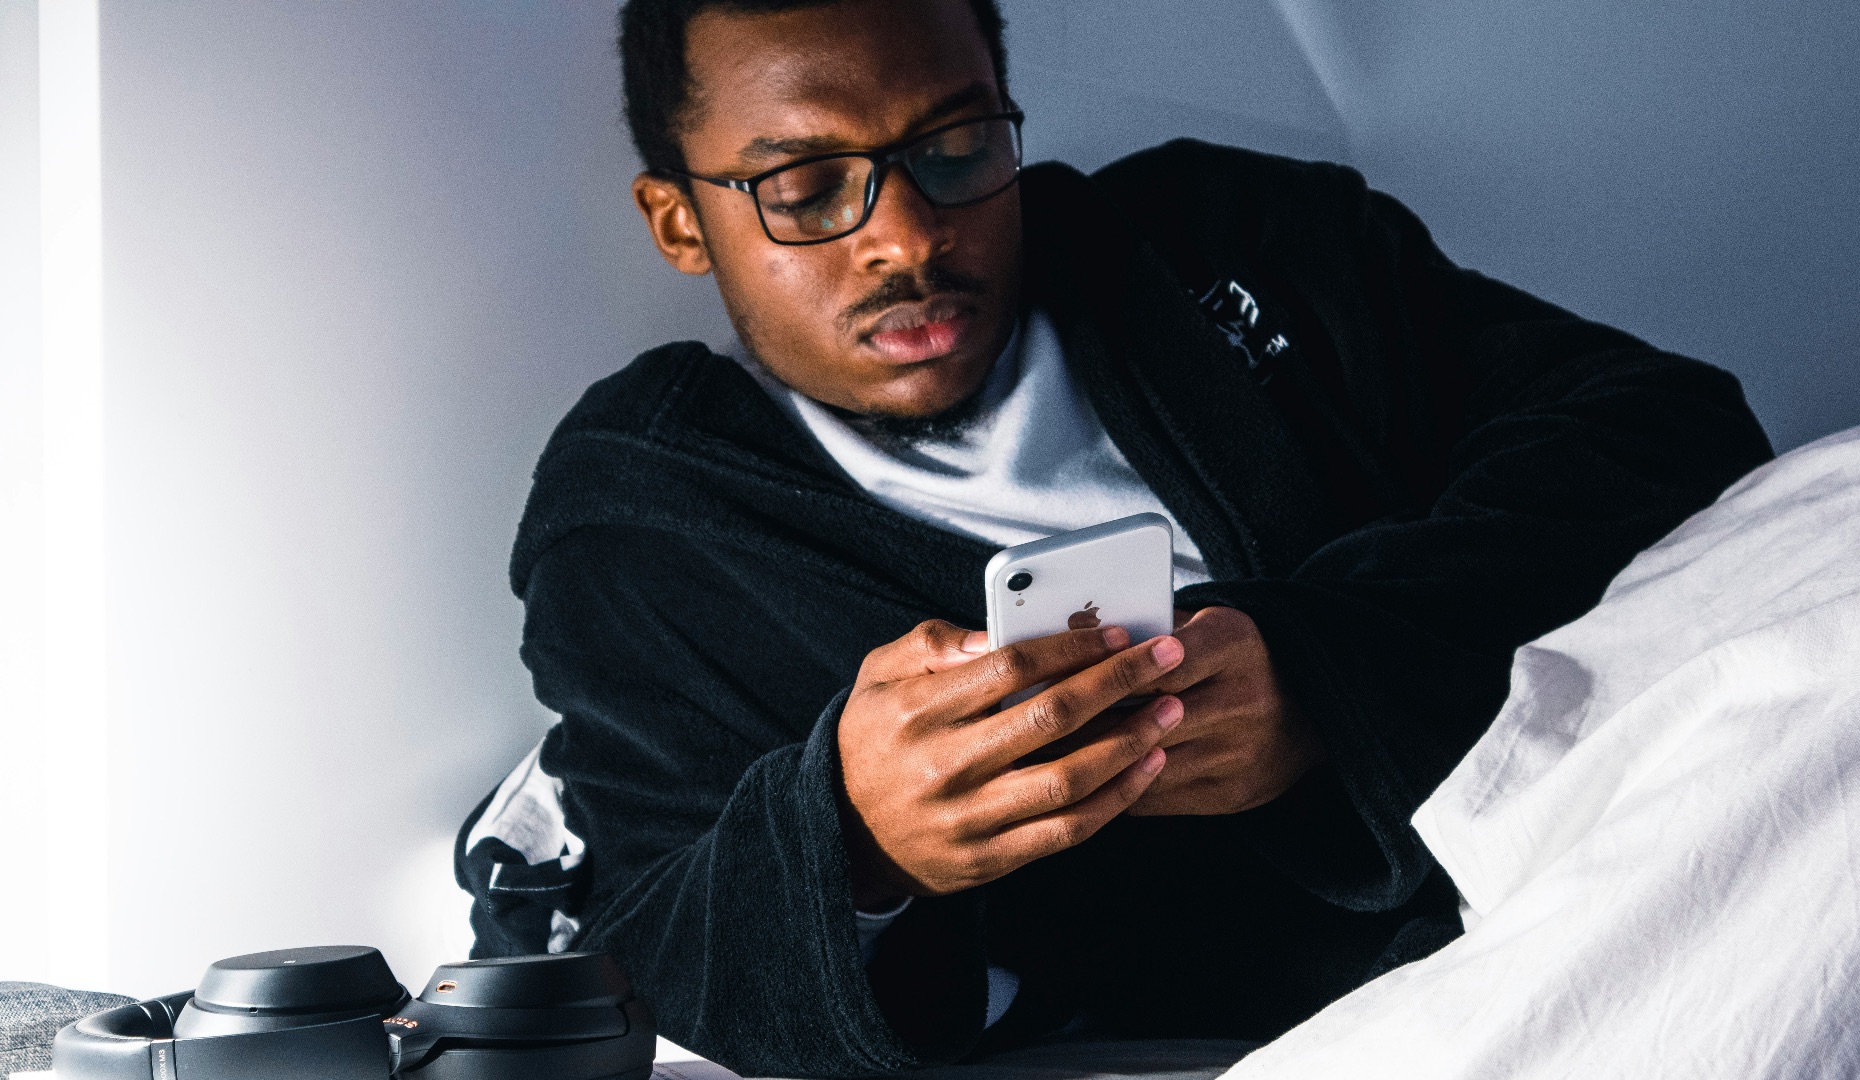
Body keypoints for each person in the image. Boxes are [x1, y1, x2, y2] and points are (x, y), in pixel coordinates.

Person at [454, 0, 1773, 1075]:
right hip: (1291, 1025)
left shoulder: (1228, 241)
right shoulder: (645, 528)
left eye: (958, 148)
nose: (907, 237)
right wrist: (851, 844)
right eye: (806, 189)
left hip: (1611, 826)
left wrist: (1329, 672)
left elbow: (1656, 425)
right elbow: (633, 938)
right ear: (683, 220)